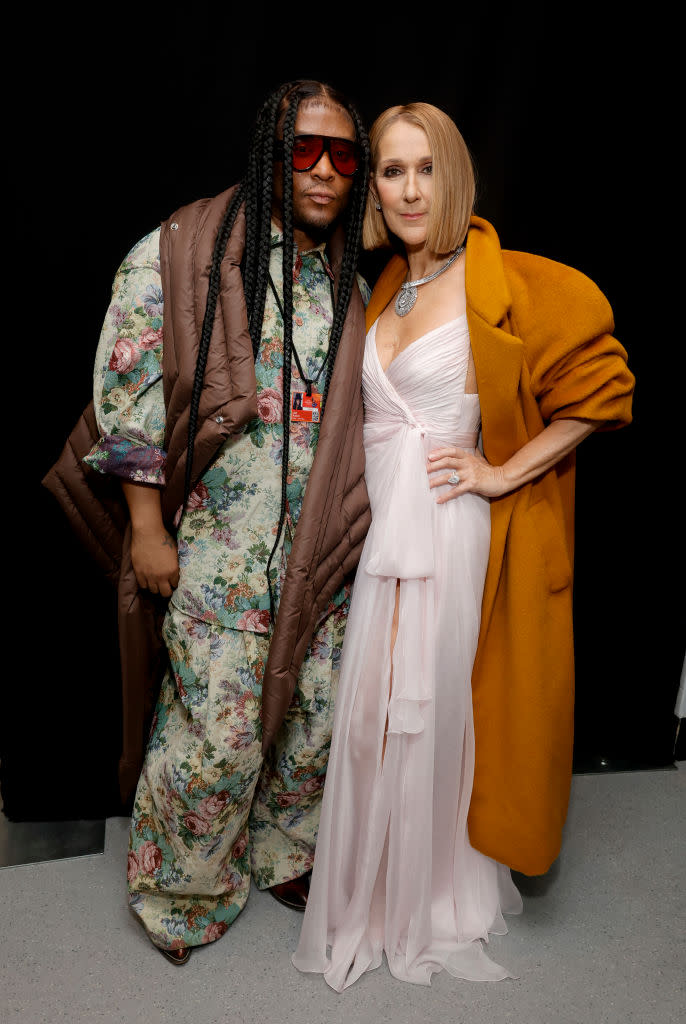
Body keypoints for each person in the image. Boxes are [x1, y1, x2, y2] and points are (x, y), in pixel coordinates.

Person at [293, 102, 635, 989]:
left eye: (425, 168)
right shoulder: (381, 286)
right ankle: (370, 894)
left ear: (454, 175)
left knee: (430, 716)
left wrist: (500, 471)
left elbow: (602, 392)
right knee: (370, 720)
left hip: (450, 536)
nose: (409, 189)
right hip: (381, 544)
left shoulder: (508, 279)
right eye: (392, 171)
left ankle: (429, 901)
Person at [82, 80, 372, 964]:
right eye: (303, 151)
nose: (325, 171)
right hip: (221, 551)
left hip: (323, 549)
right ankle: (181, 892)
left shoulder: (349, 271)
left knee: (313, 716)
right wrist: (145, 530)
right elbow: (128, 394)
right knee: (218, 732)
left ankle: (287, 855)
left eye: (344, 155)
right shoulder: (187, 250)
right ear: (269, 152)